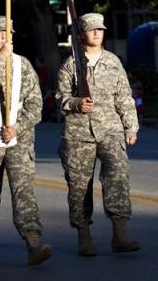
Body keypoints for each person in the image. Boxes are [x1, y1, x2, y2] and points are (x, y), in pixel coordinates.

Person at [0, 15, 53, 267]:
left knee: (23, 190)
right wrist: (1, 59)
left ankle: (33, 243)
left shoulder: (23, 65)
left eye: (8, 33)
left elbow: (36, 104)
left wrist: (17, 127)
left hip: (19, 138)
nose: (4, 37)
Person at [56, 13, 141, 256]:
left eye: (100, 30)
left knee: (117, 177)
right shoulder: (70, 65)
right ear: (81, 34)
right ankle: (84, 237)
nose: (97, 33)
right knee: (79, 187)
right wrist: (76, 103)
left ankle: (120, 235)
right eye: (92, 30)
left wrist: (130, 126)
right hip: (78, 134)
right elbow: (59, 97)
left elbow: (124, 97)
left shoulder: (113, 62)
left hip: (110, 130)